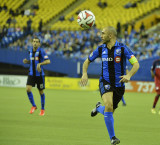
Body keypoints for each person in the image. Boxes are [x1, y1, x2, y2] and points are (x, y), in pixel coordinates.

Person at [80, 26, 139, 145]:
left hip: (119, 85)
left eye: (103, 33)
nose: (100, 35)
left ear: (110, 35)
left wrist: (129, 76)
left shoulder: (123, 48)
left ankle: (98, 108)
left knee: (109, 110)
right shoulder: (101, 49)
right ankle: (113, 138)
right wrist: (84, 73)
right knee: (108, 105)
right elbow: (87, 61)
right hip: (105, 81)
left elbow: (136, 64)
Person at [23, 37, 51, 116]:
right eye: (34, 41)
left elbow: (48, 61)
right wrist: (27, 62)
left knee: (41, 92)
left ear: (39, 44)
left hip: (39, 75)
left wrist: (40, 64)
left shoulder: (41, 51)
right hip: (31, 74)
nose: (35, 43)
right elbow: (33, 62)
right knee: (28, 89)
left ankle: (42, 109)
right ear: (32, 43)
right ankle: (34, 106)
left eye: (37, 42)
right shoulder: (30, 51)